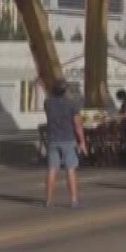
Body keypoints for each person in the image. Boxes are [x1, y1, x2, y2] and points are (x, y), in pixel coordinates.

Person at [42, 79, 86, 209]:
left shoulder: (47, 103)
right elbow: (77, 124)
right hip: (68, 139)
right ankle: (73, 200)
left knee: (52, 170)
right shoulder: (71, 104)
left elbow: (49, 98)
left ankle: (49, 201)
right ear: (65, 90)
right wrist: (82, 142)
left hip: (52, 139)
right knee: (70, 169)